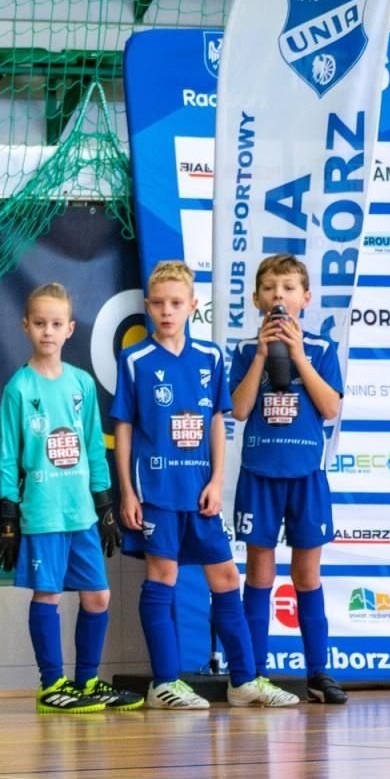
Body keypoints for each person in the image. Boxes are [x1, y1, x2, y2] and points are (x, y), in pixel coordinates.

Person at [111, 261, 300, 709]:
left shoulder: (210, 357)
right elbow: (124, 427)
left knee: (226, 577)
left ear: (193, 305)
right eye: (159, 304)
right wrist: (128, 492)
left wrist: (216, 480)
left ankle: (244, 681)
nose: (167, 311)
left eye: (176, 303)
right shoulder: (135, 360)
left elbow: (217, 421)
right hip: (157, 490)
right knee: (163, 577)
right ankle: (164, 683)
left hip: (199, 492)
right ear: (147, 307)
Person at [0, 283, 141, 712]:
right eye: (40, 323)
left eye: (56, 324)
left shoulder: (82, 383)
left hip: (81, 513)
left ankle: (86, 681)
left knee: (98, 597)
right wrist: (8, 514)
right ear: (25, 326)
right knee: (48, 595)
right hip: (42, 513)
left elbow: (93, 446)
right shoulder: (19, 387)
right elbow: (7, 454)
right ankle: (51, 685)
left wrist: (105, 507)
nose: (48, 331)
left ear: (70, 328)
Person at [229, 254, 348, 705]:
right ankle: (254, 673)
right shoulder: (245, 349)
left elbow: (330, 408)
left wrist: (296, 353)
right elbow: (239, 409)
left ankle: (317, 671)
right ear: (256, 298)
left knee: (306, 574)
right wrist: (263, 354)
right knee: (259, 572)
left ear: (306, 297)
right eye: (270, 288)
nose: (278, 295)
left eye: (288, 287)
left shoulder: (321, 348)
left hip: (306, 475)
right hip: (260, 474)